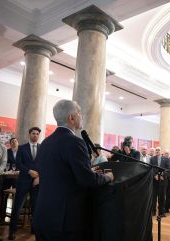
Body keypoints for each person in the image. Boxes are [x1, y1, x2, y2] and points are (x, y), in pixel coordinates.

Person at [33, 100, 113, 241]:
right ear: (71, 118)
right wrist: (108, 177)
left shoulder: (45, 142)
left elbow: (58, 172)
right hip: (65, 220)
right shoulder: (75, 142)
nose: (82, 116)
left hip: (43, 215)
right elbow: (86, 180)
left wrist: (87, 171)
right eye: (79, 113)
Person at [9, 127, 41, 240]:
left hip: (37, 183)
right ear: (29, 134)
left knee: (36, 207)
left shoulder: (42, 148)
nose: (35, 135)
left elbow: (44, 164)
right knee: (17, 207)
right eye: (33, 133)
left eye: (37, 134)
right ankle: (12, 231)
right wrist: (29, 171)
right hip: (23, 181)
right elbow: (18, 164)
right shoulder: (22, 148)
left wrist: (39, 177)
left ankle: (34, 228)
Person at [0, 137, 19, 223]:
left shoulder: (21, 152)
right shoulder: (6, 152)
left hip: (17, 178)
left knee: (17, 197)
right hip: (7, 177)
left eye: (15, 141)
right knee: (4, 196)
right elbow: (3, 163)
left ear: (17, 143)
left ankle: (15, 218)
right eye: (12, 141)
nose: (14, 142)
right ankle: (2, 216)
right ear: (10, 143)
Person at [150, 147, 170, 217]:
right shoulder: (152, 158)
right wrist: (155, 175)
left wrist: (162, 175)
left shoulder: (166, 159)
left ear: (161, 152)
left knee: (162, 197)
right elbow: (151, 168)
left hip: (162, 181)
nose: (157, 151)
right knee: (154, 197)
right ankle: (153, 211)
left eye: (159, 150)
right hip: (154, 181)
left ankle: (162, 211)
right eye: (156, 150)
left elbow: (167, 169)